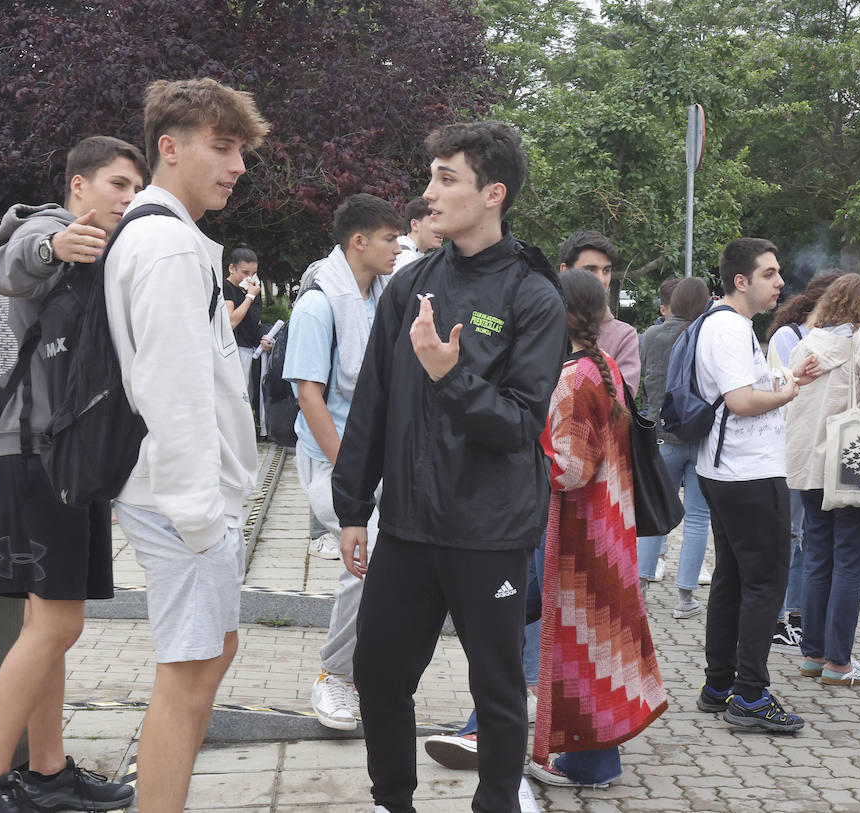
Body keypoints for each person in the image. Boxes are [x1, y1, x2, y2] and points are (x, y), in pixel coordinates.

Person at [331, 121, 566, 813]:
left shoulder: (534, 296)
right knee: (378, 672)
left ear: (493, 194)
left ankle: (497, 799)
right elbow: (371, 400)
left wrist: (450, 374)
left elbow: (521, 425)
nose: (429, 192)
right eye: (431, 175)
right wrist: (351, 507)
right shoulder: (411, 286)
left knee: (495, 686)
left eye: (447, 178)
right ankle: (391, 800)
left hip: (489, 528)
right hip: (407, 523)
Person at [0, 136, 148, 813]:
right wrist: (52, 248)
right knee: (54, 628)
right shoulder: (50, 228)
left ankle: (49, 772)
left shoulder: (105, 249)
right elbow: (8, 264)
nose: (126, 197)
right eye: (117, 183)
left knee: (53, 624)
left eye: (134, 187)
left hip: (61, 457)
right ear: (79, 185)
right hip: (38, 455)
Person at [103, 78, 269, 812]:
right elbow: (173, 392)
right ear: (169, 148)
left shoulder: (165, 235)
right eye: (222, 146)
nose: (236, 165)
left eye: (240, 150)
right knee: (188, 672)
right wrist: (203, 514)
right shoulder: (168, 244)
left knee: (209, 655)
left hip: (184, 494)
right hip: (182, 500)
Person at [526, 268, 668, 788]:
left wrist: (521, 448)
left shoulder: (571, 377)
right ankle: (594, 760)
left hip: (580, 533)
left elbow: (569, 468)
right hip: (610, 525)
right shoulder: (602, 364)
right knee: (601, 643)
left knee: (580, 644)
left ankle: (587, 764)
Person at [284, 194, 404, 729]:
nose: (398, 248)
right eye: (388, 238)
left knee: (392, 563)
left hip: (378, 456)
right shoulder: (318, 304)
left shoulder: (383, 295)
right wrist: (349, 472)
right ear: (359, 241)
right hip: (332, 460)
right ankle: (335, 677)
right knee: (368, 557)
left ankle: (368, 671)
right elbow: (309, 395)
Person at [692, 237, 820, 734]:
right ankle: (749, 693)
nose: (781, 282)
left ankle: (720, 683)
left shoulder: (729, 325)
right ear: (741, 281)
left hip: (730, 471)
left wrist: (789, 377)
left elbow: (744, 388)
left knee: (732, 579)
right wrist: (788, 392)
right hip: (747, 473)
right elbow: (741, 401)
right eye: (770, 274)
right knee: (765, 583)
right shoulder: (727, 327)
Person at [785, 274, 860, 686]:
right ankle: (839, 662)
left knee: (817, 558)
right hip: (851, 464)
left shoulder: (805, 343)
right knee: (851, 563)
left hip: (809, 467)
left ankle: (813, 653)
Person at [764, 272, 839, 652]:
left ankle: (797, 613)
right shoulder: (787, 336)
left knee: (809, 537)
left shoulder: (838, 339)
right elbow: (777, 387)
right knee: (790, 535)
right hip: (790, 446)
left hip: (821, 449)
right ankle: (776, 618)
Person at [636, 276, 713, 618]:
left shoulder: (651, 336)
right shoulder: (706, 336)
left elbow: (633, 380)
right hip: (699, 437)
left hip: (658, 435)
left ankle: (639, 590)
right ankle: (685, 598)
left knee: (654, 514)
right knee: (698, 516)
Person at [558, 231, 640, 392]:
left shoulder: (624, 336)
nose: (601, 280)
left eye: (606, 271)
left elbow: (622, 401)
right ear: (565, 270)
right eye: (590, 270)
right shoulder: (541, 324)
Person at [222, 245, 274, 395]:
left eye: (253, 273)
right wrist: (249, 297)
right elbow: (230, 322)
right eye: (245, 273)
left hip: (252, 351)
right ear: (232, 268)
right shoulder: (226, 287)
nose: (249, 278)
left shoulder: (253, 290)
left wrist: (264, 337)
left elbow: (255, 321)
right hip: (233, 350)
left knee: (250, 397)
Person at [395, 196, 442, 270]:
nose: (441, 230)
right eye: (433, 223)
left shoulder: (413, 256)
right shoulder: (406, 257)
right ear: (415, 225)